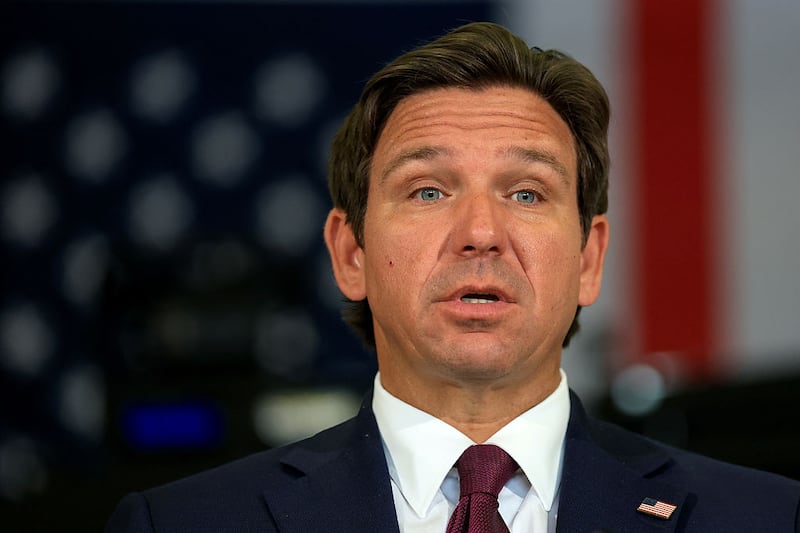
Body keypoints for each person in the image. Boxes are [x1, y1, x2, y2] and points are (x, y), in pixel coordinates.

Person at [105, 21, 800, 532]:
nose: (480, 232)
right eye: (428, 190)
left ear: (589, 259)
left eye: (527, 193)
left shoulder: (767, 519)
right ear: (351, 253)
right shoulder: (179, 524)